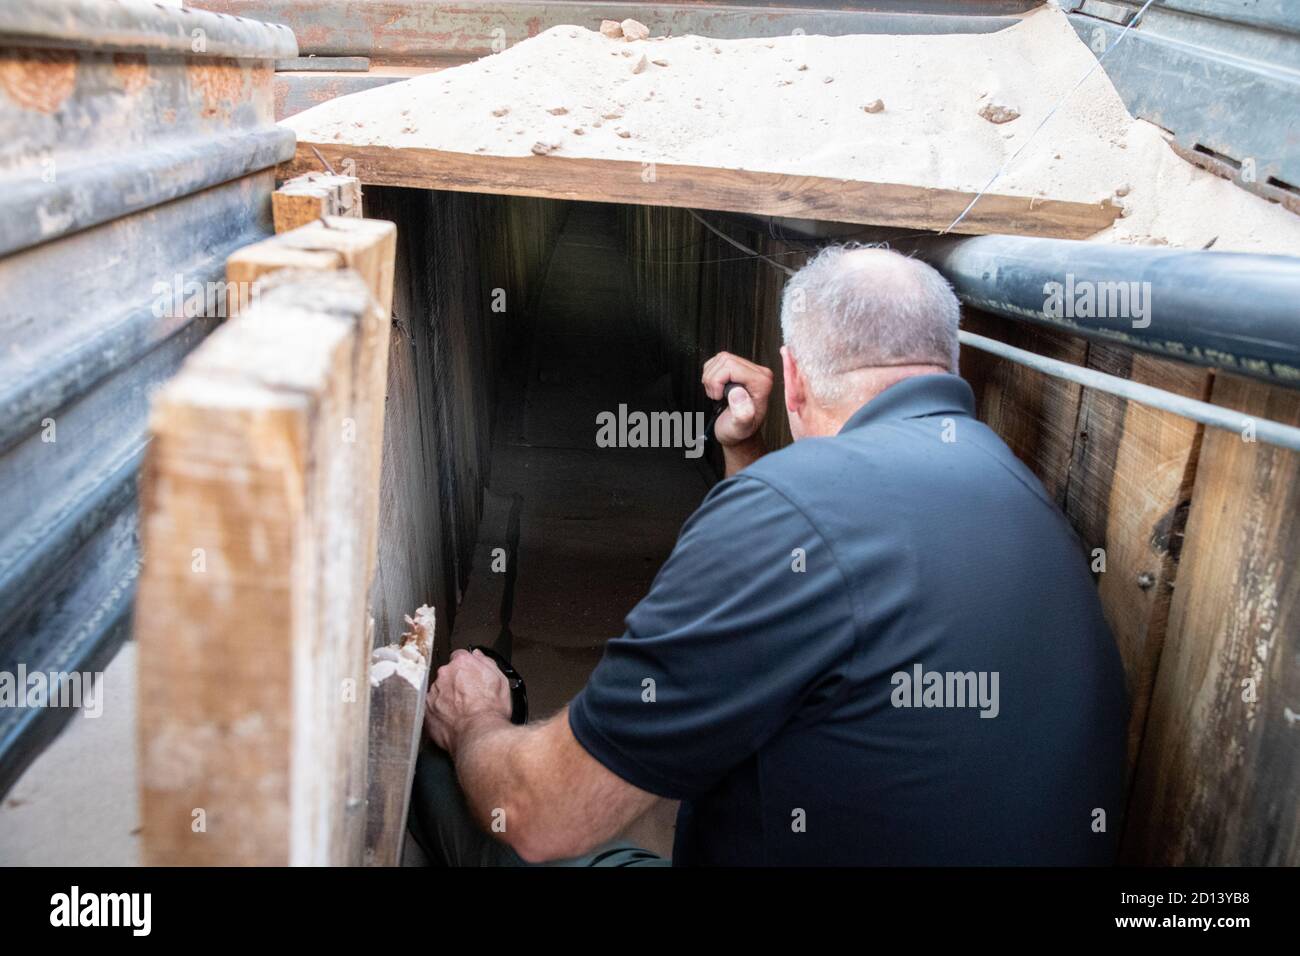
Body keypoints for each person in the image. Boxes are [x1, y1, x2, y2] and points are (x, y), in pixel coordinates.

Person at [412, 245, 1128, 866]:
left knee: (458, 789)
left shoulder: (796, 509)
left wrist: (475, 719)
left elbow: (544, 815)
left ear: (793, 376)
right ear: (948, 358)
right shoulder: (1030, 501)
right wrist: (747, 455)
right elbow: (810, 583)